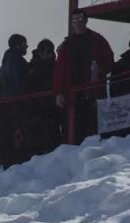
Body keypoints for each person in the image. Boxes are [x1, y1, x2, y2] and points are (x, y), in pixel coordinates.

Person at [54, 8, 115, 143]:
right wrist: (59, 92)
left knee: (94, 127)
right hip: (73, 94)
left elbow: (109, 59)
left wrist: (101, 69)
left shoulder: (97, 39)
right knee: (75, 129)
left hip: (93, 91)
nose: (78, 23)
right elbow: (60, 71)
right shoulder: (66, 45)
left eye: (80, 19)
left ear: (86, 20)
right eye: (75, 20)